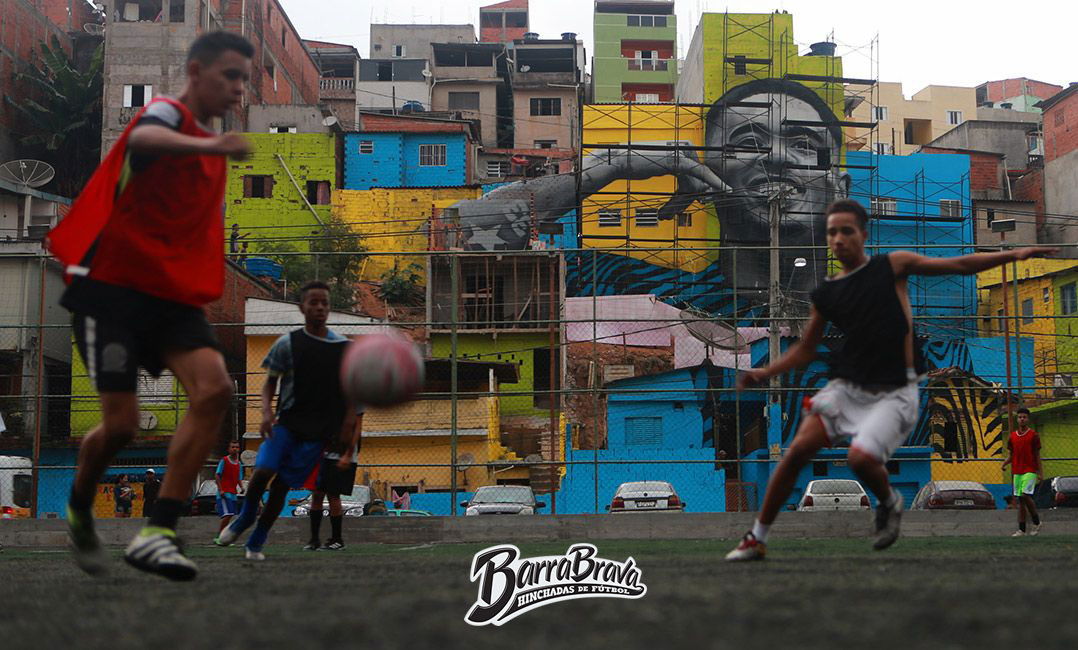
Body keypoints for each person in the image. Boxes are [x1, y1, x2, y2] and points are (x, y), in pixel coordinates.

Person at [725, 199, 1058, 561]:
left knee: (860, 459)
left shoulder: (892, 266)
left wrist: (1013, 256)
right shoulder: (827, 294)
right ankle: (756, 538)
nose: (838, 239)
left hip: (896, 390)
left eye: (846, 231)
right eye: (832, 232)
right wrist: (763, 372)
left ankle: (889, 500)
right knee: (796, 453)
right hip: (847, 387)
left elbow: (959, 264)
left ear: (863, 235)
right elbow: (805, 351)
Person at [47, 31, 253, 580]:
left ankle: (159, 532)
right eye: (229, 75)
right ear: (195, 71)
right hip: (113, 289)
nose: (238, 89)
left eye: (243, 80)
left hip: (168, 296)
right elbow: (143, 144)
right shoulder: (164, 112)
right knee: (122, 427)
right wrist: (212, 145)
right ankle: (77, 507)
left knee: (214, 390)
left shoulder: (209, 157)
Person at [215, 282, 361, 560]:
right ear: (302, 307)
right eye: (313, 302)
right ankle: (245, 518)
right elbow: (270, 383)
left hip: (317, 436)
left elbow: (352, 390)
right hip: (287, 424)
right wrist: (267, 413)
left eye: (324, 303)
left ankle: (255, 543)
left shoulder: (343, 347)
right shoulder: (288, 343)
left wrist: (347, 423)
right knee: (262, 471)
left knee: (281, 487)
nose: (319, 307)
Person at [304, 425, 363, 551]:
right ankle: (314, 540)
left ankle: (337, 540)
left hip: (340, 455)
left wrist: (348, 453)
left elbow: (357, 427)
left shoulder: (351, 406)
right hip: (322, 453)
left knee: (333, 495)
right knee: (317, 494)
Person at [1001, 407, 1042, 536]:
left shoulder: (1033, 435)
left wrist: (1040, 472)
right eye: (1020, 417)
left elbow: (1037, 455)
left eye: (1024, 417)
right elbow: (1012, 454)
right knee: (1021, 500)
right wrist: (1004, 463)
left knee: (1025, 495)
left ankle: (1036, 521)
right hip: (1017, 471)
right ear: (1017, 419)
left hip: (1030, 470)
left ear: (1028, 419)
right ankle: (1022, 529)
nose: (1022, 419)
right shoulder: (1012, 436)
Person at [215, 440, 244, 534]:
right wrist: (221, 490)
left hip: (233, 493)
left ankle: (223, 536)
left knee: (230, 515)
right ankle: (220, 536)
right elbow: (217, 475)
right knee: (227, 515)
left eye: (236, 447)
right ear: (229, 449)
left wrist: (242, 487)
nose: (235, 449)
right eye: (233, 447)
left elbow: (238, 478)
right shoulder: (224, 460)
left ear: (239, 449)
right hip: (224, 493)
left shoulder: (239, 464)